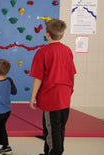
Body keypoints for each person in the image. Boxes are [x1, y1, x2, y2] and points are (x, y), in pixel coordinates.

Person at [29, 19, 76, 155]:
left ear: (47, 34)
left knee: (52, 128)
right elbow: (71, 73)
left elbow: (38, 78)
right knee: (59, 127)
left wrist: (33, 97)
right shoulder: (67, 50)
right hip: (64, 96)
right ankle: (50, 151)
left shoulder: (42, 52)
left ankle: (55, 152)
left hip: (51, 97)